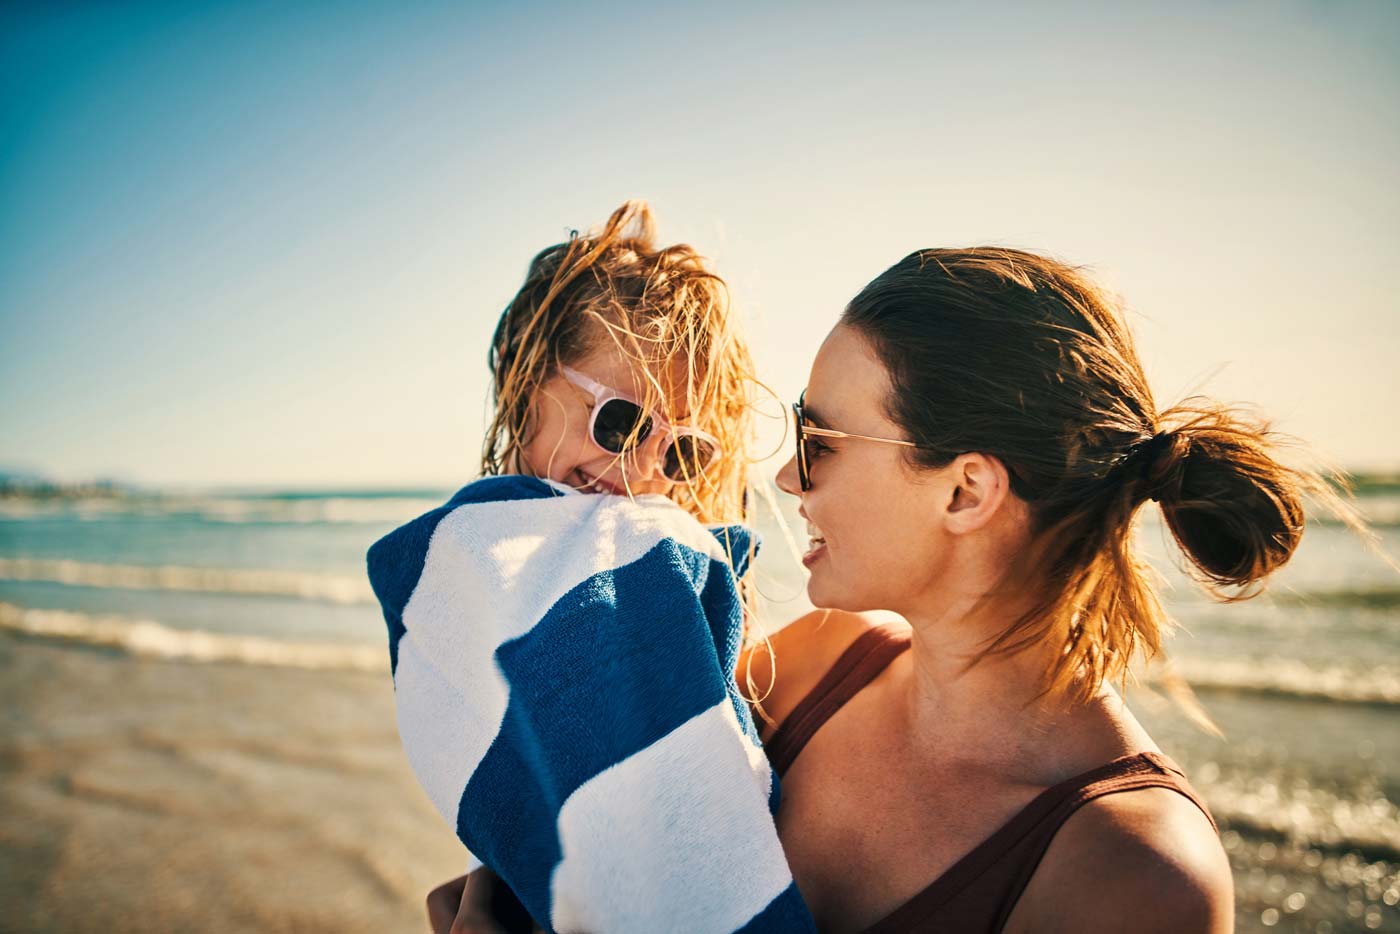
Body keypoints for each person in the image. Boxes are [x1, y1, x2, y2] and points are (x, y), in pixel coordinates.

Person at [444, 245, 1329, 933]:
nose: (788, 479)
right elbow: (593, 814)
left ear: (966, 490)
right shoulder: (804, 671)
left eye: (820, 437)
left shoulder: (1132, 877)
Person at [390, 200, 811, 934]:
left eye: (682, 452)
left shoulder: (665, 578)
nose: (642, 472)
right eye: (619, 422)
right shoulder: (495, 561)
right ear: (527, 386)